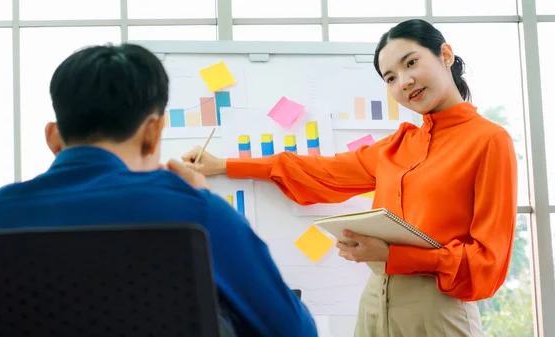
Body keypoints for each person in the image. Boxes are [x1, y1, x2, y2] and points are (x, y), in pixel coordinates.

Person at [181, 19, 517, 337]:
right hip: (374, 304)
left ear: (445, 55)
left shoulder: (488, 140)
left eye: (411, 63)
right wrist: (224, 165)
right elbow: (316, 171)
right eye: (390, 78)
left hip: (437, 311)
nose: (404, 82)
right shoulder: (397, 147)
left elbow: (487, 264)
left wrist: (392, 255)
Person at [0, 43, 318, 337]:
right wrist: (201, 198)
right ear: (153, 132)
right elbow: (293, 331)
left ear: (53, 137)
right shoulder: (196, 214)